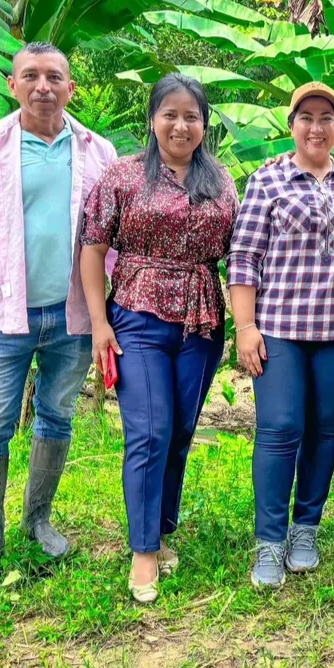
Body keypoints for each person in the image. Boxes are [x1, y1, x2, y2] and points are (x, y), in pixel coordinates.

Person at [0, 42, 117, 590]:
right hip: (2, 317)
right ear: (12, 85)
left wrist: (112, 307)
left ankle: (38, 521)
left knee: (57, 416)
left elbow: (114, 236)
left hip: (72, 316)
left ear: (71, 88)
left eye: (54, 77)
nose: (42, 86)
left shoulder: (97, 152)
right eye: (30, 76)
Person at [80, 74, 238, 603]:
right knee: (149, 431)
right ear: (152, 119)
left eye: (192, 116)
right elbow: (93, 248)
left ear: (204, 124)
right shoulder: (124, 176)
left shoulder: (220, 181)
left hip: (201, 322)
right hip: (137, 316)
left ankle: (162, 527)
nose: (181, 125)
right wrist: (100, 323)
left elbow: (241, 246)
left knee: (180, 431)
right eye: (170, 114)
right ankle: (144, 550)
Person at [227, 82, 334, 589]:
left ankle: (305, 528)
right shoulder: (267, 181)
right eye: (306, 118)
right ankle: (269, 541)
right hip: (279, 328)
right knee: (280, 427)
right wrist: (245, 327)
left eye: (326, 118)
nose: (316, 127)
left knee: (325, 428)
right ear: (292, 126)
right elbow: (243, 257)